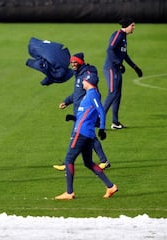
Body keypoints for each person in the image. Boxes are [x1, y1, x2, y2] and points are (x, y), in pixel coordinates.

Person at [55, 68, 118, 200]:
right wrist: (73, 118)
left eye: (83, 80)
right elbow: (87, 114)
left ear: (88, 82)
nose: (82, 81)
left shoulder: (92, 94)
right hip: (87, 133)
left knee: (68, 160)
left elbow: (101, 110)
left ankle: (69, 192)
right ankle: (110, 186)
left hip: (81, 133)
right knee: (88, 162)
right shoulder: (89, 94)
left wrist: (102, 128)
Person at [53, 53, 110, 171]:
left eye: (75, 62)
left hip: (86, 113)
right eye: (72, 62)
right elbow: (77, 94)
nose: (73, 64)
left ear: (80, 62)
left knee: (79, 137)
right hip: (79, 112)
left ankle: (68, 162)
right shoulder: (78, 75)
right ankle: (104, 161)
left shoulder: (86, 74)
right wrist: (67, 101)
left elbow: (93, 82)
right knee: (90, 137)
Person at [103, 17, 143, 129]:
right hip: (110, 68)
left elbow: (124, 54)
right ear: (127, 25)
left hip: (116, 68)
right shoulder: (118, 34)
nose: (134, 27)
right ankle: (98, 119)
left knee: (117, 95)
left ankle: (115, 122)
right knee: (112, 93)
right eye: (133, 25)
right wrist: (118, 63)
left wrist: (135, 67)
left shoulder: (124, 37)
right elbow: (109, 50)